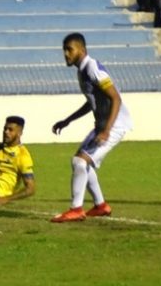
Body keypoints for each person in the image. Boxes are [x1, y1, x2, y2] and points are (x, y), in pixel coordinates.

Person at [51, 33, 133, 223]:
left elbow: (116, 98)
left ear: (82, 50)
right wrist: (68, 120)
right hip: (103, 125)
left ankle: (76, 209)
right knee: (81, 163)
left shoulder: (92, 68)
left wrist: (106, 131)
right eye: (64, 50)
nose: (65, 54)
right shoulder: (82, 71)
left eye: (69, 49)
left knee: (79, 162)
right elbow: (92, 102)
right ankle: (101, 206)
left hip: (114, 124)